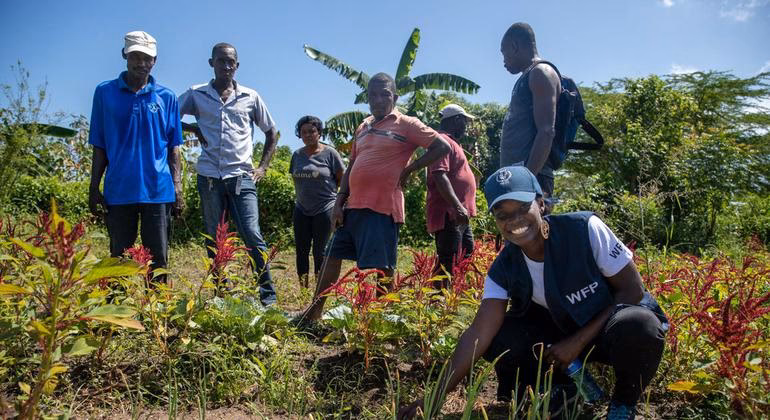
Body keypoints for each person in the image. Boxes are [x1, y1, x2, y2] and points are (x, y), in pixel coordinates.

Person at [399, 166, 668, 420]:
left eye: (522, 207)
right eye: (502, 214)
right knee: (501, 337)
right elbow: (479, 332)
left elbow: (632, 291)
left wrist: (576, 342)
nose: (514, 220)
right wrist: (436, 396)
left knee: (640, 324)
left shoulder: (583, 229)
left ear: (541, 203)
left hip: (609, 331)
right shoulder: (503, 268)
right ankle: (563, 390)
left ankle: (623, 403)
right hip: (560, 341)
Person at [298, 73, 450, 322]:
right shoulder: (363, 126)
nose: (378, 100)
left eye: (385, 94)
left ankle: (381, 321)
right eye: (373, 95)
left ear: (395, 97)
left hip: (383, 207)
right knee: (331, 257)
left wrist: (410, 170)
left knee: (383, 268)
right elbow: (352, 165)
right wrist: (339, 202)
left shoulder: (407, 124)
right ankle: (313, 313)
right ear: (367, 98)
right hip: (352, 206)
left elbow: (441, 146)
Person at [179, 42, 279, 306]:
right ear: (211, 63)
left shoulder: (250, 96)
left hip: (242, 176)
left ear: (237, 66)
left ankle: (268, 297)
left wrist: (263, 167)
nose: (226, 66)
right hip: (210, 176)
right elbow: (167, 118)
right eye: (221, 61)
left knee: (252, 234)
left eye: (230, 62)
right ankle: (221, 294)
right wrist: (191, 128)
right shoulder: (196, 94)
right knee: (215, 238)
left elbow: (271, 132)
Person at [88, 30, 184, 285]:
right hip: (119, 189)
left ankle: (157, 311)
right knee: (118, 256)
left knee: (158, 258)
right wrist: (93, 187)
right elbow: (99, 145)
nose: (141, 63)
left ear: (155, 61)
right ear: (125, 56)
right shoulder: (104, 93)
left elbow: (174, 148)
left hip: (158, 189)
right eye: (136, 57)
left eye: (147, 58)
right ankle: (116, 316)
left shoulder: (167, 97)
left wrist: (177, 187)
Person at [499, 22, 561, 210]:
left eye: (504, 53)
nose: (503, 60)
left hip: (533, 181)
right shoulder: (527, 76)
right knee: (517, 238)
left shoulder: (541, 72)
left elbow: (546, 131)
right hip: (519, 180)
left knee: (532, 238)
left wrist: (527, 182)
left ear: (514, 46)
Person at [290, 115, 345, 288]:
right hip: (301, 210)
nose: (307, 135)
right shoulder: (297, 155)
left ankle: (320, 291)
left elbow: (341, 180)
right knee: (301, 251)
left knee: (320, 252)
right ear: (299, 134)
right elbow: (295, 178)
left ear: (319, 133)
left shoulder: (330, 153)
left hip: (325, 209)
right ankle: (304, 290)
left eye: (312, 131)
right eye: (303, 132)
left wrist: (339, 205)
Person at [426, 104, 478, 284]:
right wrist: (457, 206)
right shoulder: (441, 141)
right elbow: (439, 175)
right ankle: (438, 300)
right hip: (450, 213)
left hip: (458, 213)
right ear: (456, 120)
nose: (466, 126)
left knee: (465, 254)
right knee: (448, 259)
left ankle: (451, 299)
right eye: (465, 121)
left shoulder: (452, 143)